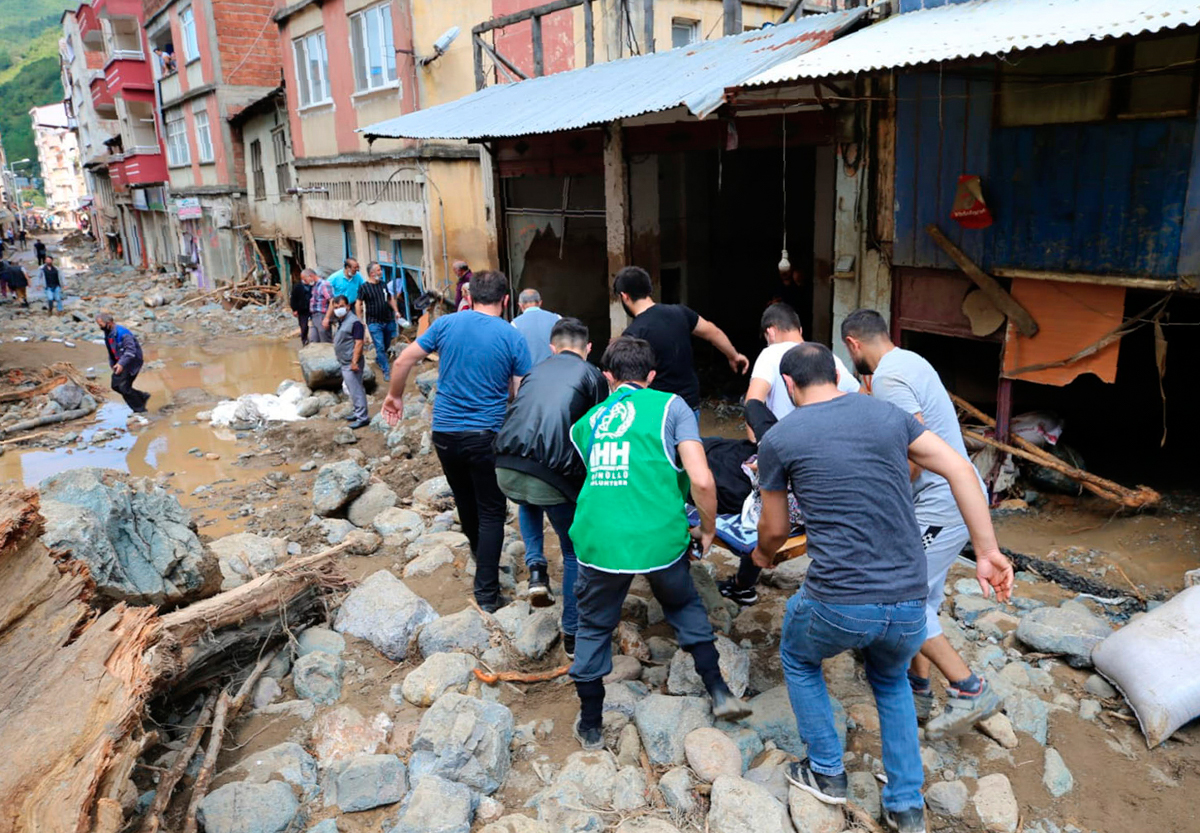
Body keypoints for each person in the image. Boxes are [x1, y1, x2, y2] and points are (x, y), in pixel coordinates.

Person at [749, 343, 1013, 833]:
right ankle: (906, 806)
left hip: (838, 602)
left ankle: (826, 770)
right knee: (890, 679)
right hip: (910, 601)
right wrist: (986, 551)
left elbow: (776, 528)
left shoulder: (779, 438)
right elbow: (960, 468)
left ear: (788, 385)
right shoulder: (889, 416)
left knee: (799, 657)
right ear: (838, 375)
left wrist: (761, 557)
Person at [567, 336, 753, 750]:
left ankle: (591, 725)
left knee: (593, 625)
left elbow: (600, 480)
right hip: (659, 537)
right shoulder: (673, 406)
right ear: (651, 375)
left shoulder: (586, 423)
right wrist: (708, 528)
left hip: (598, 539)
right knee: (684, 605)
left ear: (608, 376)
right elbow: (701, 479)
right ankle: (719, 691)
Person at [841, 308, 1001, 739]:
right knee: (923, 595)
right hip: (952, 496)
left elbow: (913, 453)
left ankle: (969, 688)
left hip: (941, 502)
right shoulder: (910, 361)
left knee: (901, 595)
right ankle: (918, 686)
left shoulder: (888, 378)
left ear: (853, 345)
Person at [382, 270, 531, 612]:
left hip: (445, 434)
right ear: (505, 300)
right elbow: (520, 393)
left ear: (470, 296)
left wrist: (394, 396)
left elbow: (403, 359)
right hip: (485, 435)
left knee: (465, 500)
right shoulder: (512, 336)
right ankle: (487, 594)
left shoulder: (446, 325)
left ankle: (480, 554)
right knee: (492, 512)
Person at [716, 302, 860, 607]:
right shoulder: (826, 357)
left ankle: (743, 582)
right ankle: (746, 583)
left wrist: (762, 447)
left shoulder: (772, 354)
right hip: (823, 470)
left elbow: (754, 401)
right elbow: (858, 398)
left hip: (784, 463)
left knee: (737, 486)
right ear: (800, 329)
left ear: (770, 332)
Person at [493, 317, 607, 657]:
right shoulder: (593, 375)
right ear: (588, 348)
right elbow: (599, 431)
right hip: (552, 473)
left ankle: (536, 571)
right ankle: (573, 632)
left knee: (528, 498)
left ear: (552, 348)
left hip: (506, 465)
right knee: (573, 551)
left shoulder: (534, 371)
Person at [615, 266, 749, 424]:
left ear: (624, 296)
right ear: (649, 290)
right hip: (688, 406)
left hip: (658, 412)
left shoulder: (633, 334)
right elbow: (713, 332)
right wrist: (733, 355)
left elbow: (630, 382)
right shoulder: (680, 312)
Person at [357, 262, 402, 382]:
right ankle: (386, 371)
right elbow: (358, 303)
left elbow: (390, 299)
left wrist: (396, 311)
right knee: (380, 347)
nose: (381, 272)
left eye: (380, 270)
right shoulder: (364, 287)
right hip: (373, 322)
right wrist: (359, 320)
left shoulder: (383, 284)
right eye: (378, 270)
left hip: (387, 319)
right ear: (372, 273)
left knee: (386, 344)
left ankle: (379, 359)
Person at [98, 311, 150, 413]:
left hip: (131, 361)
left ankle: (140, 410)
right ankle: (142, 396)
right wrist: (113, 363)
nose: (100, 327)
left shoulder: (123, 334)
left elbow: (131, 351)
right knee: (115, 386)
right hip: (120, 361)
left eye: (101, 325)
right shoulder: (108, 333)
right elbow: (111, 350)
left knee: (124, 387)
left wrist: (121, 364)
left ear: (109, 323)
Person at [331, 295, 370, 429]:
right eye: (336, 307)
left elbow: (359, 343)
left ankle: (362, 417)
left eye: (341, 306)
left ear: (348, 306)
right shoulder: (342, 321)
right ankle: (357, 411)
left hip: (351, 362)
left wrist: (354, 362)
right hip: (345, 361)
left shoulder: (354, 322)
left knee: (356, 389)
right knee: (353, 388)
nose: (338, 309)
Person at [511, 288, 560, 366]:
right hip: (555, 369)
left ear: (520, 305)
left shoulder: (514, 324)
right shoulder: (558, 319)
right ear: (540, 303)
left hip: (529, 372)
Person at [323, 258, 362, 332]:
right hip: (339, 306)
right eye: (354, 268)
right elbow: (325, 287)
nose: (357, 270)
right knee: (342, 326)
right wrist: (330, 299)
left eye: (358, 267)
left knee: (353, 324)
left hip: (352, 305)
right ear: (347, 268)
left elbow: (364, 287)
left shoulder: (358, 276)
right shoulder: (335, 277)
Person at [289, 269, 315, 346]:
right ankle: (304, 340)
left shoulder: (313, 285)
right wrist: (294, 309)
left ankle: (315, 339)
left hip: (312, 308)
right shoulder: (297, 286)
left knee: (315, 324)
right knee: (304, 326)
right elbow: (293, 299)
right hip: (302, 310)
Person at [308, 269, 334, 343]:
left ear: (311, 276)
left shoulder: (324, 284)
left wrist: (327, 318)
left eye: (306, 280)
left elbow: (332, 301)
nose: (306, 282)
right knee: (313, 340)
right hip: (314, 316)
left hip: (322, 315)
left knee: (325, 340)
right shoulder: (315, 285)